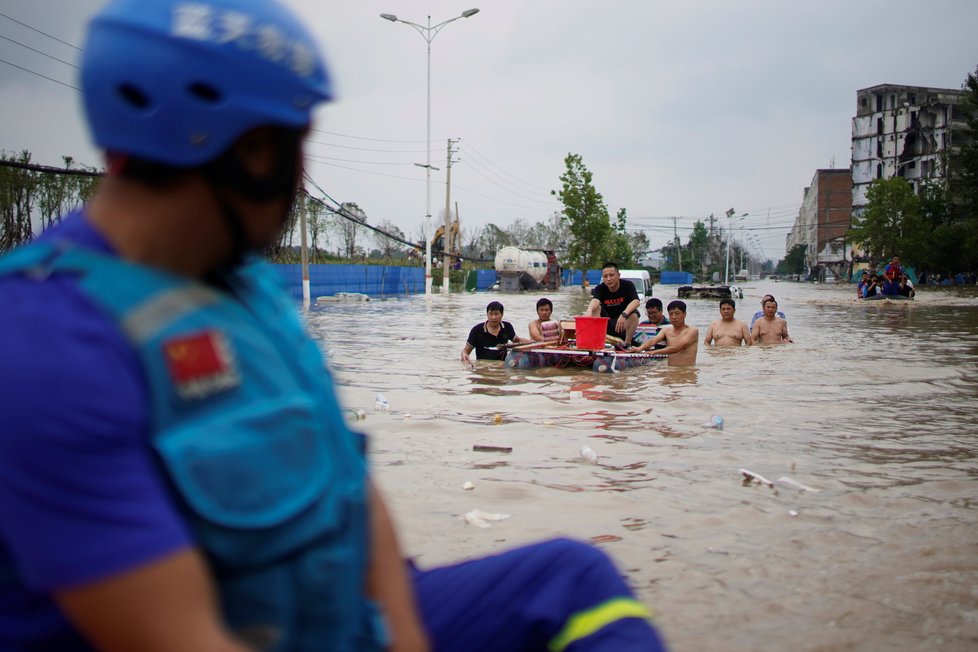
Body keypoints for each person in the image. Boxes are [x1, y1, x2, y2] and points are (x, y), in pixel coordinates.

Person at [0, 2, 667, 651]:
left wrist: (404, 637)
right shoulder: (46, 346)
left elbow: (348, 484)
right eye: (297, 142)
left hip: (337, 611)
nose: (304, 175)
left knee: (574, 583)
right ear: (251, 151)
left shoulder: (247, 291)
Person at [585, 262, 640, 345]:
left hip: (623, 324)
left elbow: (636, 301)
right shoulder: (600, 288)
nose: (608, 279)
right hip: (607, 324)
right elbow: (595, 300)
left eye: (611, 275)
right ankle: (597, 340)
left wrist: (623, 315)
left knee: (635, 315)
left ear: (618, 275)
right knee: (595, 308)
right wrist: (589, 310)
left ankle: (627, 344)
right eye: (605, 276)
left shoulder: (628, 285)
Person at [630, 300, 698, 366]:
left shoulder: (692, 331)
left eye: (677, 313)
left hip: (687, 372)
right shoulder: (666, 330)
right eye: (671, 314)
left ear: (684, 314)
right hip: (670, 371)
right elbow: (653, 341)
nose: (674, 317)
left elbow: (676, 348)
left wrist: (654, 352)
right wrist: (639, 348)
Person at [461, 301, 530, 361]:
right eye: (491, 314)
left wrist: (534, 343)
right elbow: (466, 351)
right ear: (487, 314)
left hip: (502, 367)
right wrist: (464, 355)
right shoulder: (477, 330)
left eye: (496, 314)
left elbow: (517, 341)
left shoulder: (507, 327)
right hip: (482, 368)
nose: (493, 317)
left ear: (502, 314)